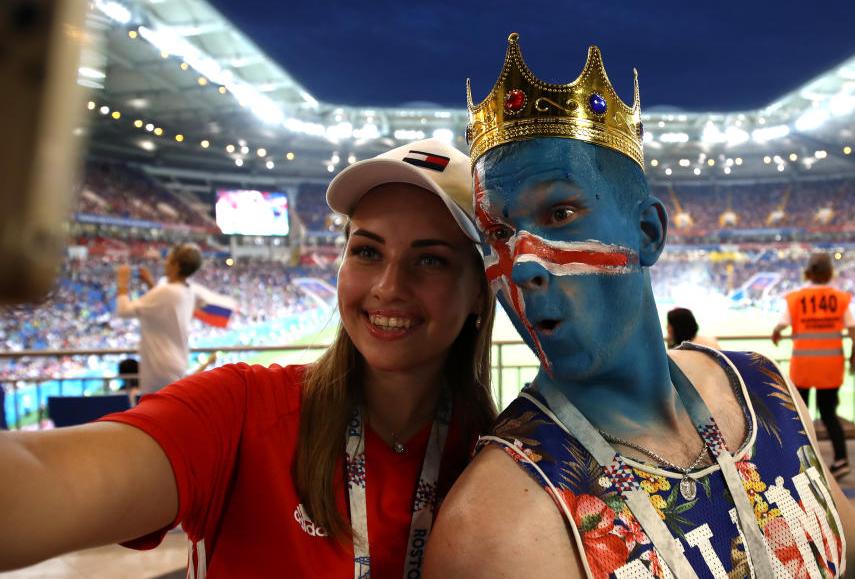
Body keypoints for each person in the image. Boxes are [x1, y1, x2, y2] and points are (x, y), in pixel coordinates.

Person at [424, 34, 855, 578]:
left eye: (559, 214)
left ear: (648, 231)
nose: (523, 264)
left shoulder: (768, 394)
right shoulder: (493, 524)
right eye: (500, 234)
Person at [0, 138, 496, 577]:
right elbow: (35, 483)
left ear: (480, 289)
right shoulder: (238, 412)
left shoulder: (502, 457)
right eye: (367, 251)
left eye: (431, 259)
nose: (389, 287)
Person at [771, 252, 855, 479]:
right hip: (831, 367)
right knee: (829, 414)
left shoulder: (795, 298)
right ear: (830, 273)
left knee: (801, 416)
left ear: (807, 272)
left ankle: (801, 463)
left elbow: (781, 325)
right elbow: (852, 329)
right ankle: (841, 460)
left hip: (803, 366)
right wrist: (854, 354)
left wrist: (777, 334)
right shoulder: (839, 299)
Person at [115, 243, 203, 394]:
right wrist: (150, 283)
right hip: (176, 362)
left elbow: (124, 311)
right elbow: (165, 304)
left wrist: (122, 282)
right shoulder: (187, 291)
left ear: (176, 265)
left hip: (159, 367)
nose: (165, 263)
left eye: (168, 260)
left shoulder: (165, 291)